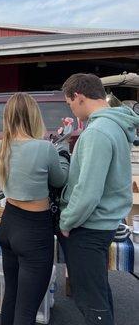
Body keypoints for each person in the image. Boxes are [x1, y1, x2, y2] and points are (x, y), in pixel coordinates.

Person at [59, 73, 139, 325]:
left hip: (89, 227)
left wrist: (67, 221)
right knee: (99, 291)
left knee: (90, 299)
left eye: (69, 103)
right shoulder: (114, 124)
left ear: (79, 97)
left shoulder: (97, 132)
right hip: (103, 223)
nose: (71, 109)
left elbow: (88, 191)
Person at [0, 92, 69, 325]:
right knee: (27, 308)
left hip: (9, 225)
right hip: (34, 230)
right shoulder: (45, 148)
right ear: (33, 116)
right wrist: (63, 155)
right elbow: (60, 180)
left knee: (11, 294)